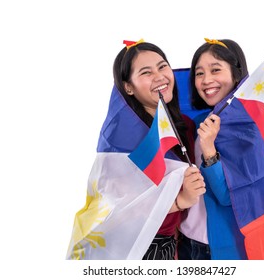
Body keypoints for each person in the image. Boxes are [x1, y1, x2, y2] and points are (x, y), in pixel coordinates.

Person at [103, 39, 206, 260]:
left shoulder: (184, 125)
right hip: (134, 244)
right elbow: (117, 209)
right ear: (128, 87)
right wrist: (180, 201)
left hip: (172, 244)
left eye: (162, 66)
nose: (159, 76)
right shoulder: (120, 138)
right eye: (146, 72)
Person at [178, 38, 249, 260]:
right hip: (185, 238)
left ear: (236, 75)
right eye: (199, 73)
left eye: (215, 69)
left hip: (216, 246)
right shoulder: (198, 120)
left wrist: (208, 148)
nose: (206, 80)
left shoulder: (247, 127)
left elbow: (231, 197)